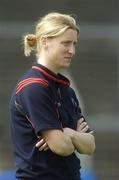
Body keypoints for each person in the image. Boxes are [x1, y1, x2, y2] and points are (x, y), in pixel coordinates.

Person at [10, 12, 95, 180]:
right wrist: (73, 138)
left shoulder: (65, 89)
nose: (72, 50)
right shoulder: (33, 87)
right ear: (44, 42)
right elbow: (61, 147)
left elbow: (90, 146)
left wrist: (68, 133)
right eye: (66, 43)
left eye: (74, 44)